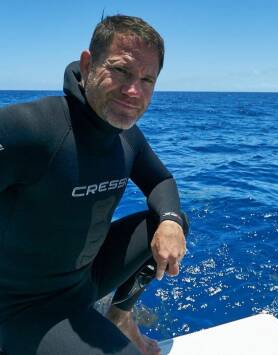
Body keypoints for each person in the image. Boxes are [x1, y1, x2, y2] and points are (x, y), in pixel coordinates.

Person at [0, 14, 188, 355]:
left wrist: (171, 223)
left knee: (167, 220)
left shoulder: (126, 136)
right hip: (23, 307)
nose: (134, 91)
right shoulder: (29, 129)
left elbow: (161, 180)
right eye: (121, 71)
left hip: (85, 281)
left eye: (147, 79)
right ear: (88, 64)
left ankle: (120, 315)